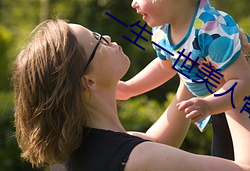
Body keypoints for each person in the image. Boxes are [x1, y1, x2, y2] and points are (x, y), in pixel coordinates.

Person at [13, 19, 250, 171]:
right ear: (88, 81)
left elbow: (156, 142)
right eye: (97, 41)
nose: (106, 37)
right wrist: (231, 83)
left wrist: (191, 62)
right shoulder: (138, 159)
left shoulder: (73, 155)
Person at [119, 0, 250, 161]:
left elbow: (243, 81)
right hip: (215, 103)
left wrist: (210, 105)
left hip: (239, 101)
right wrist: (129, 88)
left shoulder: (210, 29)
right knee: (222, 157)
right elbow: (165, 66)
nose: (133, 4)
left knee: (240, 163)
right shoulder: (162, 31)